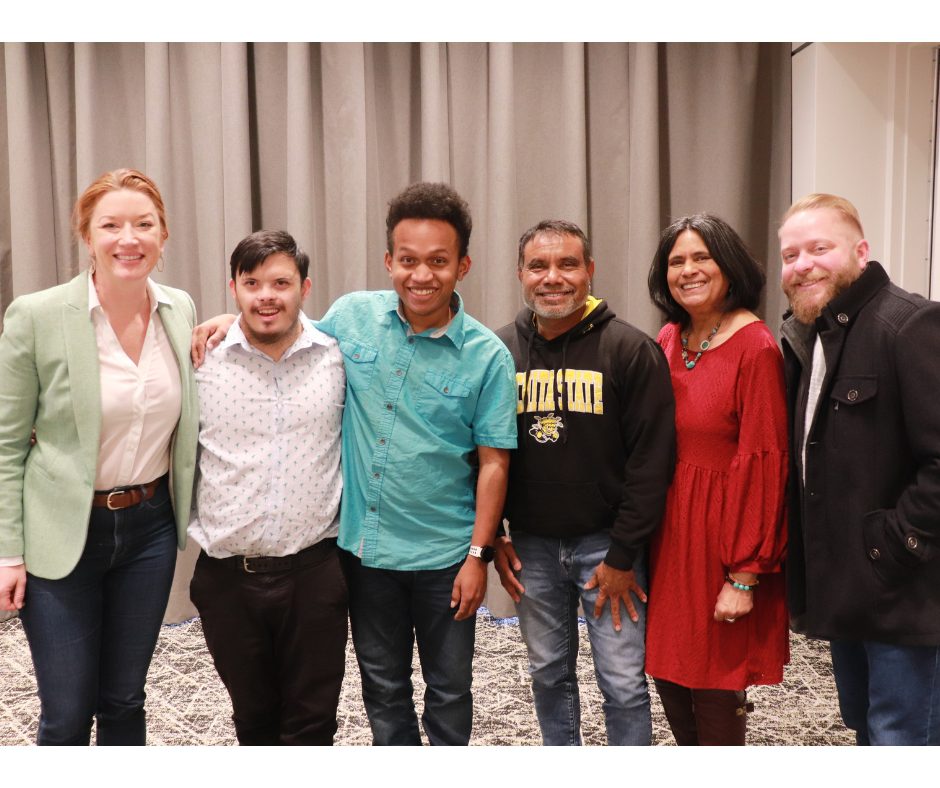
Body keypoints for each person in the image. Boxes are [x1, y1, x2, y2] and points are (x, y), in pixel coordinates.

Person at [192, 182, 517, 745]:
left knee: (450, 688)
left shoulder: (487, 355)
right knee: (383, 687)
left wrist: (478, 556)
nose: (422, 275)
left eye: (438, 261)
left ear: (462, 265)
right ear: (389, 261)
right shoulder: (350, 319)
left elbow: (494, 464)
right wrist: (229, 317)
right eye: (408, 260)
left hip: (445, 554)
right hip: (366, 555)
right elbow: (281, 320)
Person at [0, 168, 198, 745]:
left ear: (164, 235)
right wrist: (8, 551)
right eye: (110, 225)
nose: (127, 239)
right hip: (62, 530)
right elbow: (8, 444)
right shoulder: (36, 316)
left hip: (150, 530)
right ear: (87, 236)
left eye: (144, 224)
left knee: (124, 700)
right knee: (66, 709)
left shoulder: (178, 309)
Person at [493, 219, 675, 745]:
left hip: (609, 550)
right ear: (520, 274)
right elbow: (481, 457)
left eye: (568, 264)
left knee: (622, 683)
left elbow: (651, 463)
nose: (554, 277)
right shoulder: (498, 352)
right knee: (548, 674)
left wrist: (622, 556)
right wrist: (495, 537)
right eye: (539, 266)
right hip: (531, 545)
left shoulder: (632, 350)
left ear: (590, 271)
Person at [779, 193, 940, 746]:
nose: (802, 266)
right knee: (868, 729)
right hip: (848, 588)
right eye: (790, 255)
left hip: (904, 590)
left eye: (819, 248)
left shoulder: (908, 324)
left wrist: (895, 544)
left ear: (861, 251)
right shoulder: (818, 336)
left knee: (903, 737)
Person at [188, 230, 347, 745]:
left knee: (313, 723)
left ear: (305, 286)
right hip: (227, 579)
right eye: (251, 282)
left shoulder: (339, 356)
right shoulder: (198, 361)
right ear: (232, 288)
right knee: (253, 720)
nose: (266, 296)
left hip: (315, 573)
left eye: (281, 282)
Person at [645, 214, 789, 746]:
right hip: (666, 535)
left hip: (719, 539)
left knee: (714, 686)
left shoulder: (756, 347)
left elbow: (765, 463)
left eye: (701, 257)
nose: (688, 270)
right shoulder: (668, 337)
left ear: (728, 265)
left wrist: (745, 573)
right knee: (669, 672)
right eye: (677, 260)